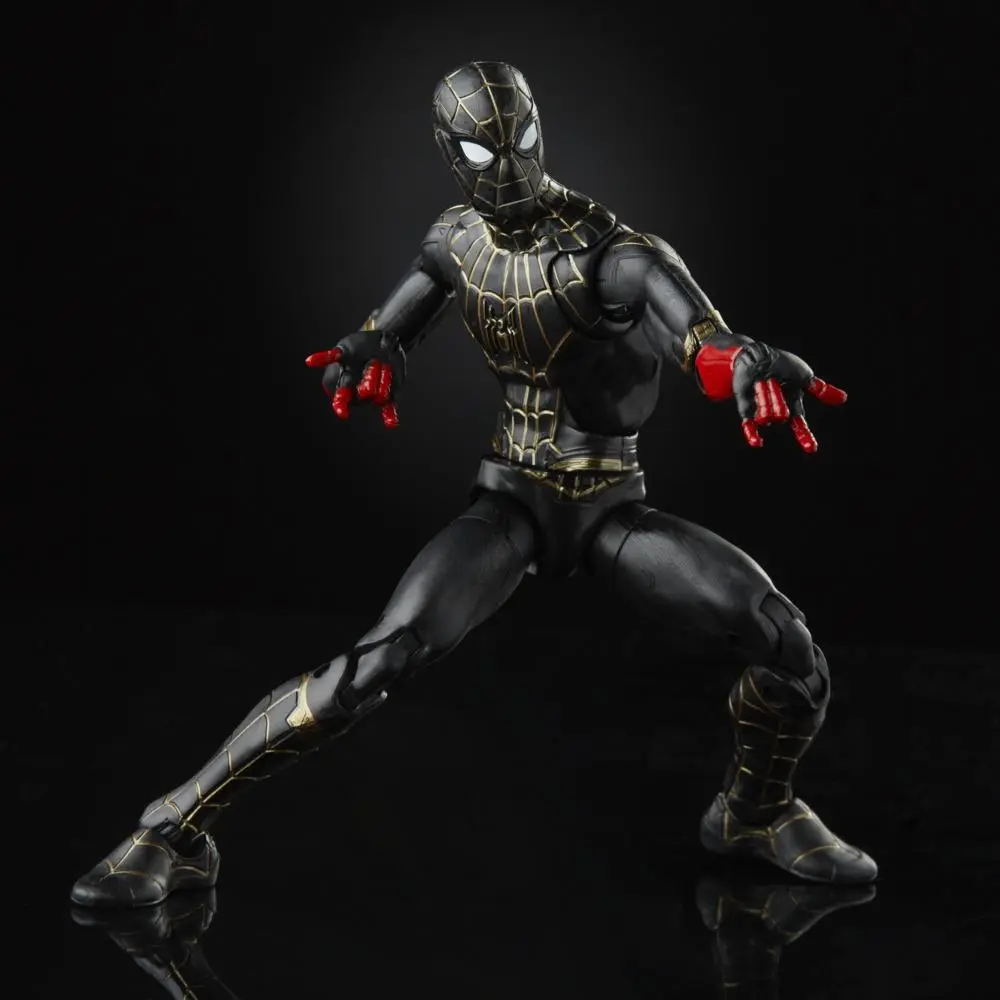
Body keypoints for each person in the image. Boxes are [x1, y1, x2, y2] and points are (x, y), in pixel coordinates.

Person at [71, 60, 876, 908]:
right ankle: (170, 829)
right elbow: (388, 326)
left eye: (521, 138)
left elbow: (703, 343)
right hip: (513, 501)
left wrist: (747, 362)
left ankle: (756, 811)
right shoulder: (456, 242)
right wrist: (368, 353)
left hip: (611, 509)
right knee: (379, 660)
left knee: (787, 644)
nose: (511, 167)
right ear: (449, 153)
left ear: (540, 124)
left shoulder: (616, 258)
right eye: (485, 152)